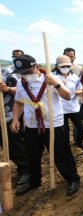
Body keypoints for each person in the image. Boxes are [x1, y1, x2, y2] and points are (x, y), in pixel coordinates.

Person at [10, 54, 80, 195]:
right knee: (32, 155)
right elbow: (19, 102)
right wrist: (16, 119)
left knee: (62, 154)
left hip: (53, 124)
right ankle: (34, 181)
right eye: (21, 73)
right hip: (31, 125)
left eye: (27, 72)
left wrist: (56, 84)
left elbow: (67, 96)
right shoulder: (21, 83)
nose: (25, 75)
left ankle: (73, 179)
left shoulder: (53, 79)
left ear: (36, 67)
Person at [0, 60, 31, 195]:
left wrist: (7, 89)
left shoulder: (5, 74)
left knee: (14, 147)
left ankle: (25, 170)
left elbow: (20, 92)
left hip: (5, 117)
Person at [53, 55, 83, 152]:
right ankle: (66, 147)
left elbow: (80, 87)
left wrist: (80, 91)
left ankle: (79, 142)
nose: (65, 68)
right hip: (60, 109)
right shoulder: (53, 77)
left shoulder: (74, 77)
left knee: (81, 128)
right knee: (64, 131)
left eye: (67, 66)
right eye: (62, 66)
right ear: (57, 66)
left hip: (74, 107)